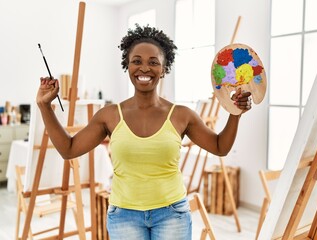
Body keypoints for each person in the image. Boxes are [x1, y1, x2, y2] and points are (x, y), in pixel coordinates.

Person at [36, 24, 252, 240]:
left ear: (164, 69)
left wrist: (235, 114)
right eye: (136, 61)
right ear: (127, 66)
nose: (144, 68)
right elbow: (69, 149)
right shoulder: (109, 115)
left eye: (153, 62)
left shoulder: (181, 115)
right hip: (124, 217)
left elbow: (220, 147)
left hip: (172, 215)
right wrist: (45, 107)